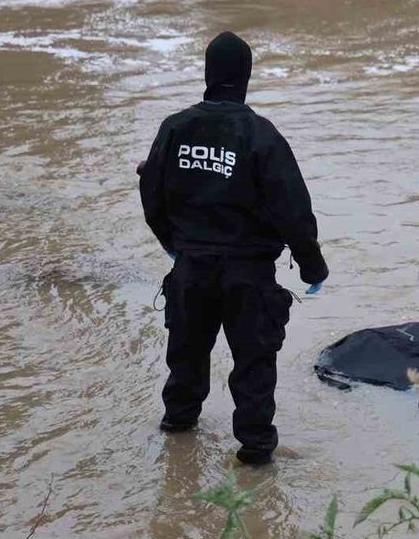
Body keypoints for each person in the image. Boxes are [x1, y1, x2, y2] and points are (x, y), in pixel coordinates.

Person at [138, 31, 329, 466]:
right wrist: (312, 267)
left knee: (184, 359)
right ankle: (256, 456)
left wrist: (174, 244)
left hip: (191, 272)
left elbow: (152, 192)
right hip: (249, 277)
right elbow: (293, 208)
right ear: (245, 77)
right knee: (254, 367)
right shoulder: (261, 136)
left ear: (208, 74)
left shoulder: (175, 127)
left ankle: (177, 441)